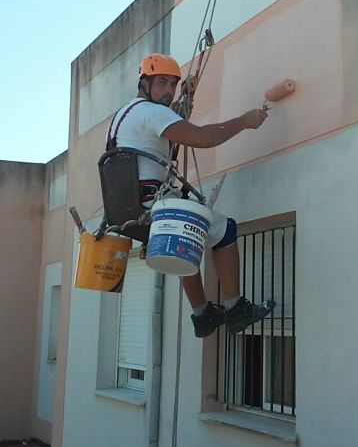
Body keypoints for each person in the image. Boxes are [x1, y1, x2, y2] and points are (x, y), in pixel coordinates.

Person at [106, 53, 274, 338]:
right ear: (144, 82)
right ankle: (236, 309)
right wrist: (244, 121)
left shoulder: (126, 115)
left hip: (128, 207)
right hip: (152, 202)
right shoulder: (152, 112)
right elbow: (204, 138)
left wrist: (183, 105)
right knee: (225, 230)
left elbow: (167, 148)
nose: (168, 91)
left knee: (188, 242)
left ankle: (203, 314)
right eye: (161, 83)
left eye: (173, 84)